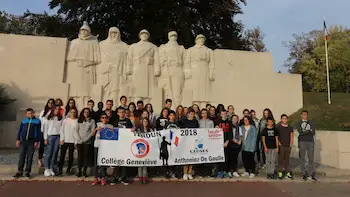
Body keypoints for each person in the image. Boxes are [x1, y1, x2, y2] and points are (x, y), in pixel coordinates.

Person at [13, 108, 41, 179]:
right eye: (28, 114)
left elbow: (39, 132)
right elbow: (20, 130)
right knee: (22, 156)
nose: (30, 115)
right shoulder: (24, 121)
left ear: (33, 113)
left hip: (32, 141)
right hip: (23, 141)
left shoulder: (37, 121)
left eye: (31, 113)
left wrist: (37, 141)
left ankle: (27, 172)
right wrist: (18, 139)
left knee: (30, 157)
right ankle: (19, 171)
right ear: (26, 114)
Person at [110, 107, 133, 185]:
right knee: (117, 161)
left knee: (124, 161)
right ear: (117, 113)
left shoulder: (128, 121)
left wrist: (133, 129)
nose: (122, 113)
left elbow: (131, 130)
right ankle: (115, 177)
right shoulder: (115, 121)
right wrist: (111, 128)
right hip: (117, 144)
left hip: (125, 144)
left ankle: (123, 178)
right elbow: (110, 130)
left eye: (123, 112)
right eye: (120, 112)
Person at [43, 106, 63, 177]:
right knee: (49, 152)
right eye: (55, 109)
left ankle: (51, 168)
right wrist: (45, 138)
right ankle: (46, 168)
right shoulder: (48, 118)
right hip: (50, 136)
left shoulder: (60, 118)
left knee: (55, 153)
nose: (57, 111)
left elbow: (61, 129)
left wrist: (61, 139)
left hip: (57, 136)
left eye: (58, 110)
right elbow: (45, 129)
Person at [296, 110, 316, 181]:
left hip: (310, 141)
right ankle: (304, 173)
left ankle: (310, 174)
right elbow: (300, 132)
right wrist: (308, 131)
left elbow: (313, 132)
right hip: (302, 141)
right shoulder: (298, 123)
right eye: (303, 114)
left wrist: (306, 131)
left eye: (306, 114)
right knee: (302, 158)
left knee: (311, 158)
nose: (305, 116)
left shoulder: (311, 122)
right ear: (301, 115)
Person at [57, 108, 79, 176]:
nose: (73, 113)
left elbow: (77, 132)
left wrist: (76, 141)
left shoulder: (77, 121)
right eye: (71, 112)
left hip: (72, 141)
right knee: (62, 156)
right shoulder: (65, 120)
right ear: (69, 112)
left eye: (74, 112)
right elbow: (62, 130)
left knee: (70, 156)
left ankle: (69, 170)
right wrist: (62, 139)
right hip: (65, 140)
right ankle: (60, 170)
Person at [92, 112, 111, 186]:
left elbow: (115, 131)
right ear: (100, 119)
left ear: (107, 119)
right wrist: (96, 129)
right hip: (97, 145)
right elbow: (92, 134)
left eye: (105, 117)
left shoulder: (109, 125)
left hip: (105, 147)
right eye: (102, 118)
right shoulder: (97, 124)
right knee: (96, 162)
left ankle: (103, 178)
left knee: (103, 162)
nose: (104, 119)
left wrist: (112, 129)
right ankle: (96, 178)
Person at [76, 108, 96, 177]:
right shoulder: (79, 120)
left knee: (85, 157)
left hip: (87, 142)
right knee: (79, 157)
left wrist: (85, 140)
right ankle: (79, 171)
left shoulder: (92, 121)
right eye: (85, 112)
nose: (86, 113)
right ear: (82, 112)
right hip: (79, 141)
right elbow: (76, 131)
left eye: (87, 112)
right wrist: (79, 139)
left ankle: (84, 171)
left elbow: (92, 132)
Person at [181, 108, 199, 180]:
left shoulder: (195, 121)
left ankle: (189, 173)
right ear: (188, 114)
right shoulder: (184, 121)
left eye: (193, 114)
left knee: (192, 158)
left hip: (193, 142)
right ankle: (185, 173)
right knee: (186, 157)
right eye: (190, 114)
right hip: (185, 142)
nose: (191, 115)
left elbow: (198, 131)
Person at [215, 110, 233, 178]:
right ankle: (220, 171)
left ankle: (226, 171)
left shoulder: (229, 122)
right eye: (222, 114)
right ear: (220, 114)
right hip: (219, 143)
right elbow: (213, 133)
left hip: (226, 143)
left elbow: (230, 133)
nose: (224, 115)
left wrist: (227, 142)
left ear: (226, 114)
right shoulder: (217, 122)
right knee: (219, 158)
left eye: (225, 114)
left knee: (226, 158)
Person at [38, 98, 55, 167]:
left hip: (50, 132)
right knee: (42, 146)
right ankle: (40, 159)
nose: (50, 104)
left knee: (49, 147)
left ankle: (48, 160)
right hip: (42, 131)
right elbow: (40, 121)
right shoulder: (43, 111)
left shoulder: (54, 112)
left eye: (52, 103)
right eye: (49, 103)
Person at [276, 114, 294, 179]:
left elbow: (291, 136)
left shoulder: (290, 127)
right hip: (281, 146)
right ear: (281, 119)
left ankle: (287, 172)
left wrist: (290, 145)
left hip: (288, 146)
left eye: (285, 118)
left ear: (287, 119)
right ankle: (280, 172)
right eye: (283, 118)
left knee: (287, 160)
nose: (284, 120)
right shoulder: (278, 127)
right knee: (280, 160)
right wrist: (279, 144)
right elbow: (276, 136)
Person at [164, 110, 180, 179]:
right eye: (170, 115)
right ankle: (168, 172)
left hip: (175, 143)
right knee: (168, 157)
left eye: (173, 115)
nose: (172, 116)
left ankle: (174, 172)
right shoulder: (166, 124)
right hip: (168, 143)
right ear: (168, 116)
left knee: (174, 157)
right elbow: (163, 133)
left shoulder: (177, 123)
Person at [198, 109, 214, 178]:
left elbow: (213, 131)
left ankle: (208, 173)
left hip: (208, 141)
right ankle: (201, 173)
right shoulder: (198, 122)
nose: (204, 114)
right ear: (201, 114)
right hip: (201, 141)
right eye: (203, 113)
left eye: (205, 113)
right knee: (201, 156)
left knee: (208, 157)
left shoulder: (211, 122)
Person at [136, 118, 153, 184]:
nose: (145, 122)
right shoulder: (139, 130)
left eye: (146, 121)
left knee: (145, 163)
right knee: (140, 163)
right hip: (140, 147)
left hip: (147, 148)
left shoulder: (150, 130)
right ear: (142, 122)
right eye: (144, 121)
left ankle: (144, 177)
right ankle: (140, 177)